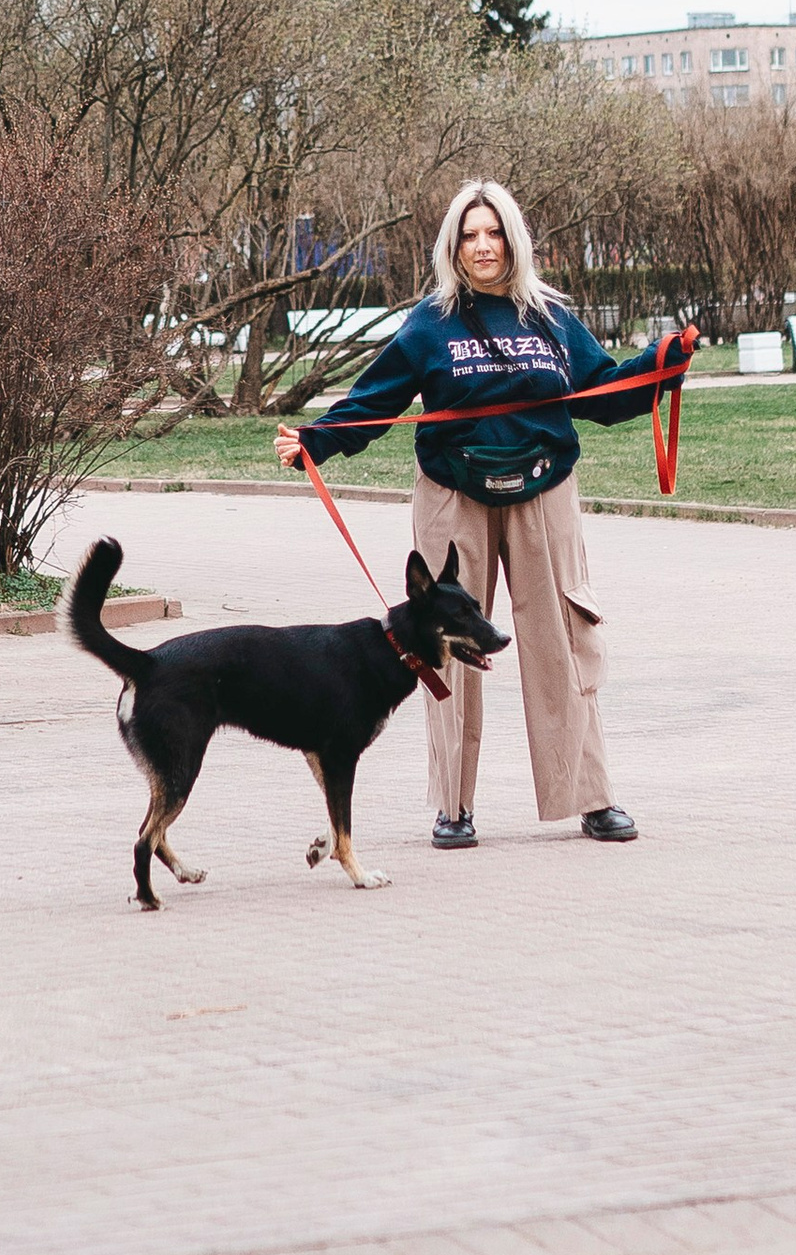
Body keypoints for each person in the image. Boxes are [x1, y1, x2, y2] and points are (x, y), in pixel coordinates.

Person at [276, 181, 691, 851]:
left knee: (563, 638)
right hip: (453, 493)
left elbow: (604, 393)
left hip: (544, 486)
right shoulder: (430, 322)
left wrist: (661, 367)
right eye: (469, 235)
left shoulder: (548, 316)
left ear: (512, 239)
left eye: (492, 232)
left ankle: (589, 797)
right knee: (445, 647)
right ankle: (453, 807)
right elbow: (373, 399)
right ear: (453, 247)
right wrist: (314, 440)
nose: (482, 245)